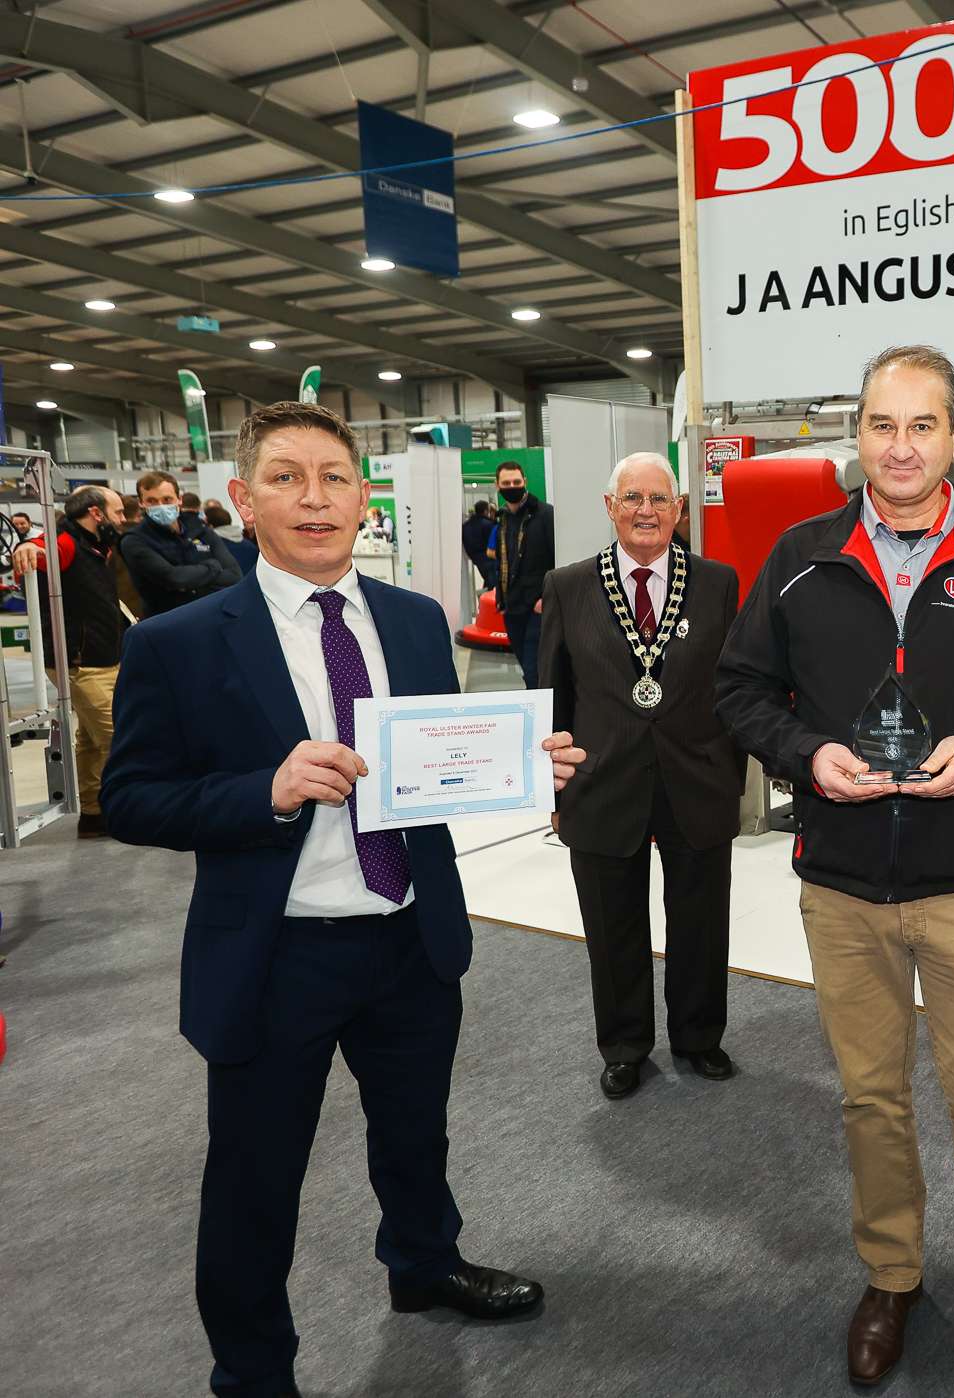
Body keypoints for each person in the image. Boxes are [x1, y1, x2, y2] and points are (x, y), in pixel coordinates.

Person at [100, 401, 587, 1398]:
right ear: (242, 499)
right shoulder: (181, 643)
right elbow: (132, 800)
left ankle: (422, 1265)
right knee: (254, 1177)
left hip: (410, 934)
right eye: (285, 477)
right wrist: (263, 791)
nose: (313, 498)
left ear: (364, 499)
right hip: (276, 954)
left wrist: (519, 764)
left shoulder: (411, 619)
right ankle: (252, 1372)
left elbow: (435, 762)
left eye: (333, 477)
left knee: (415, 1132)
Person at [716, 345, 954, 1398]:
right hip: (840, 888)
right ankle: (889, 1278)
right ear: (858, 436)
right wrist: (802, 756)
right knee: (870, 1101)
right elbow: (741, 691)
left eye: (921, 426)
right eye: (882, 425)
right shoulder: (799, 556)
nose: (899, 446)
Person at [541, 452, 744, 1097]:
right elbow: (551, 694)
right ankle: (624, 1044)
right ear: (610, 507)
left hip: (698, 778)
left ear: (680, 509)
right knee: (611, 923)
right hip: (601, 782)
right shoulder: (568, 586)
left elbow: (737, 687)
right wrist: (551, 787)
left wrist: (735, 774)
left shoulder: (717, 583)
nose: (646, 511)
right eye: (632, 498)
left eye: (660, 499)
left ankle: (698, 1036)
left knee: (701, 920)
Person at [11, 485, 128, 838]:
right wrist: (28, 547)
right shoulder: (65, 543)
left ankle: (93, 814)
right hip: (80, 662)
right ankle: (126, 811)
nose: (122, 519)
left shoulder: (97, 546)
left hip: (104, 656)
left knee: (92, 740)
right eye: (118, 512)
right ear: (96, 513)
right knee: (118, 738)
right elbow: (39, 554)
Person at [120, 470, 241, 616]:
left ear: (179, 499)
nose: (161, 506)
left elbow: (234, 575)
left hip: (211, 615)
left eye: (167, 499)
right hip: (167, 622)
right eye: (151, 501)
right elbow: (174, 578)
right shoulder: (134, 540)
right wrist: (213, 567)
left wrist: (190, 581)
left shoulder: (199, 528)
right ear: (141, 503)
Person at [493, 461, 554, 685]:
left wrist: (546, 598)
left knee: (534, 671)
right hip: (512, 608)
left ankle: (544, 718)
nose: (512, 486)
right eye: (506, 483)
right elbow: (503, 560)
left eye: (516, 482)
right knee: (526, 667)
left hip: (538, 608)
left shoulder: (545, 515)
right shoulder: (502, 519)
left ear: (525, 482)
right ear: (497, 486)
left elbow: (558, 559)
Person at [462, 500, 499, 587]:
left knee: (490, 583)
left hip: (477, 559)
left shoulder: (466, 526)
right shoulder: (488, 524)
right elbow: (496, 540)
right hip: (490, 559)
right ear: (486, 511)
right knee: (494, 586)